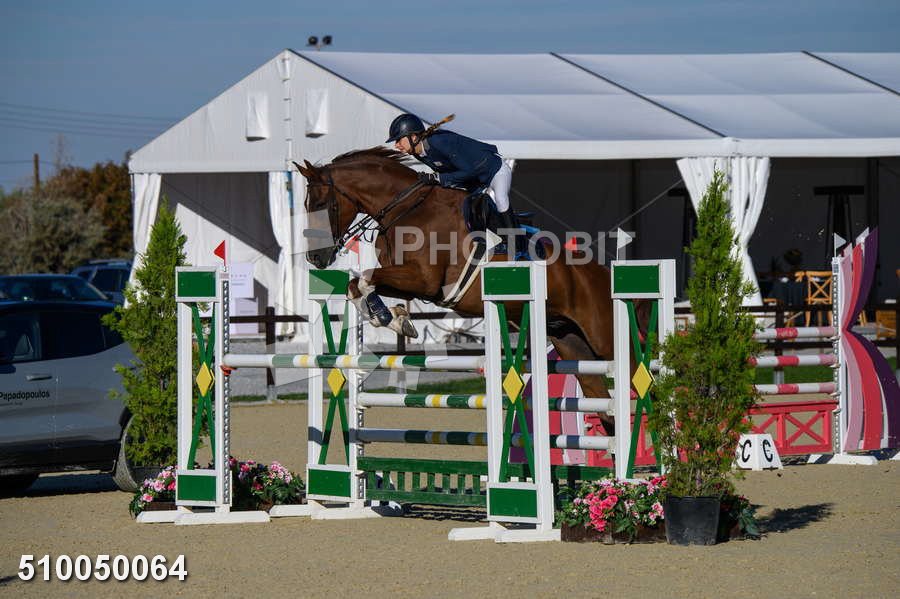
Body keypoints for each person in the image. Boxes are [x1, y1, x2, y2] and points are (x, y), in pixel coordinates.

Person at [386, 113, 522, 253]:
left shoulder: (438, 142)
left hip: (494, 170)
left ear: (413, 137)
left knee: (500, 199)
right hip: (475, 182)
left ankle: (516, 243)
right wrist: (433, 180)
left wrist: (438, 178)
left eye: (398, 140)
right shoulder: (418, 152)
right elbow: (448, 172)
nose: (396, 145)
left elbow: (468, 171)